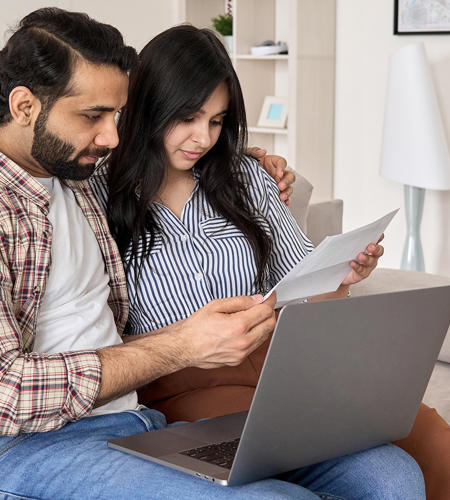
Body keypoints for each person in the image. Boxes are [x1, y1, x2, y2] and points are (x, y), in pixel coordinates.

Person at [0, 7, 429, 499]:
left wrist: (244, 157)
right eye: (92, 116)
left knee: (392, 477)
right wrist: (182, 344)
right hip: (35, 442)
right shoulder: (54, 189)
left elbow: (152, 152)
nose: (112, 136)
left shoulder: (77, 176)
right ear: (24, 106)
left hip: (137, 415)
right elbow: (7, 394)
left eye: (115, 116)